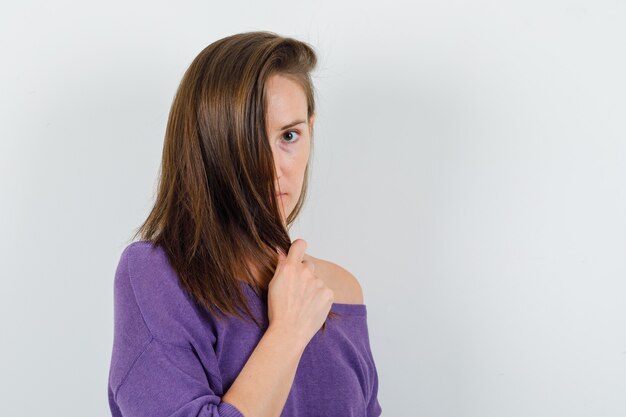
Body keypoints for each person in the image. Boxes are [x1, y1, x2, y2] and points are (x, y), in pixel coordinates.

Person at [107, 31, 382, 417]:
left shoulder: (339, 291)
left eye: (290, 135)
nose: (273, 167)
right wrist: (287, 330)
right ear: (206, 147)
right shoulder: (158, 274)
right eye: (247, 141)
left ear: (311, 130)